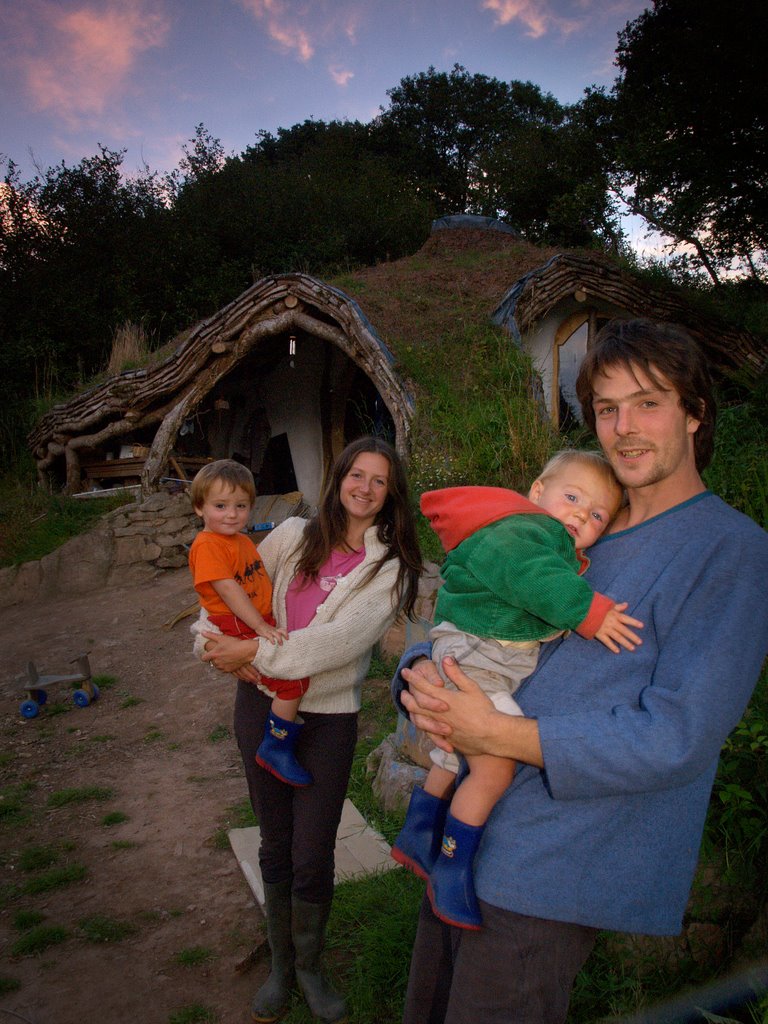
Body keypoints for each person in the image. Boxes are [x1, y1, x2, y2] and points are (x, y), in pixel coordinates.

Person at [392, 319, 768, 1024]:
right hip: (469, 830)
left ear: (694, 412)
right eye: (605, 407)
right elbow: (476, 600)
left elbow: (678, 735)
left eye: (648, 402)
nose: (624, 428)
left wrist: (498, 735)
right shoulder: (575, 520)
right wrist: (418, 671)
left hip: (552, 864)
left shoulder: (730, 551)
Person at [194, 436, 422, 1024]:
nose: (365, 488)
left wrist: (250, 651)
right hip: (257, 706)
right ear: (339, 477)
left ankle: (311, 967)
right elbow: (223, 593)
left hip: (327, 720)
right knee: (274, 841)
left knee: (313, 849)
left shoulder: (389, 568)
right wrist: (211, 646)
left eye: (379, 480)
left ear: (391, 492)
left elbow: (335, 644)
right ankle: (280, 965)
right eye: (357, 474)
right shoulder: (292, 536)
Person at [391, 450, 643, 930]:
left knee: (451, 752)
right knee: (494, 766)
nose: (580, 516)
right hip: (475, 657)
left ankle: (418, 834)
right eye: (573, 498)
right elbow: (534, 579)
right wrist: (591, 614)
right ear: (537, 492)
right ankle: (451, 867)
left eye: (597, 516)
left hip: (476, 654)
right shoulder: (526, 531)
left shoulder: (538, 534)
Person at [189, 459, 311, 787]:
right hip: (238, 622)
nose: (231, 514)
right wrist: (259, 626)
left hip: (253, 620)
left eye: (240, 506)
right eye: (220, 506)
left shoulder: (240, 541)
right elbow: (228, 590)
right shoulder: (207, 545)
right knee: (292, 681)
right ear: (199, 508)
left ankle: (279, 734)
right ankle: (276, 746)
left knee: (288, 675)